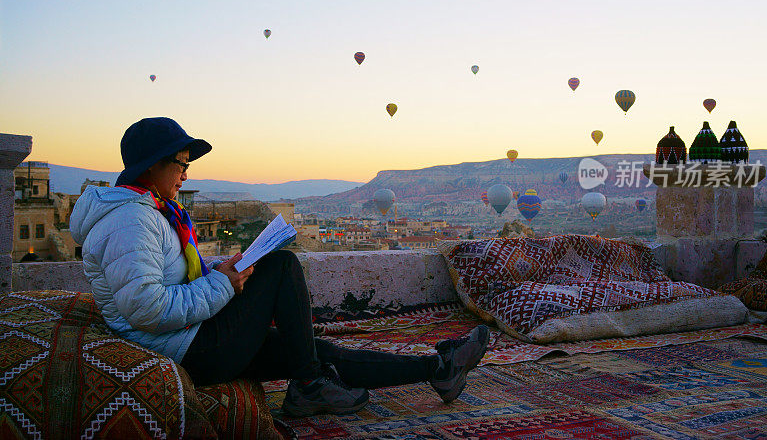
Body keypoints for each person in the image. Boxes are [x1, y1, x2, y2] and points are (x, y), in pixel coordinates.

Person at [70, 117, 489, 417]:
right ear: (151, 166)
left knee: (315, 352)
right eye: (179, 164)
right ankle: (308, 387)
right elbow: (147, 307)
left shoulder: (153, 212)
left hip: (192, 336)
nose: (184, 174)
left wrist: (222, 267)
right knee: (283, 266)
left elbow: (168, 274)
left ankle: (438, 368)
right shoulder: (132, 220)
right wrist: (223, 284)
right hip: (187, 349)